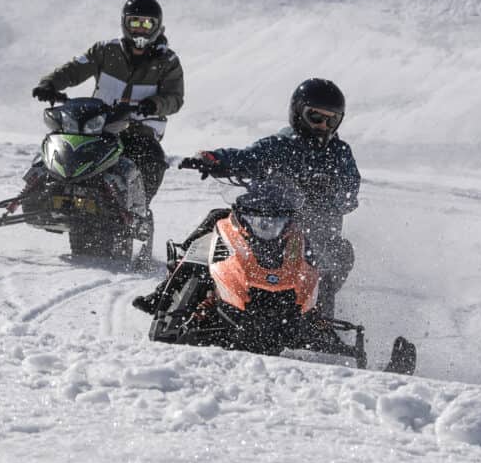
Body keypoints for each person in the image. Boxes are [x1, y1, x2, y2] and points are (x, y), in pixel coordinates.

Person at [137, 78, 361, 317]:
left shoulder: (340, 153)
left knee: (340, 253)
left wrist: (332, 191)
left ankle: (319, 318)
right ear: (298, 113)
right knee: (216, 223)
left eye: (331, 120)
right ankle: (167, 291)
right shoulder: (281, 144)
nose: (322, 126)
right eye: (316, 117)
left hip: (314, 230)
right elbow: (245, 157)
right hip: (268, 220)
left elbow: (350, 190)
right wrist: (213, 159)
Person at [32, 0, 185, 204]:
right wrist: (49, 84)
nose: (140, 29)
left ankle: (136, 211)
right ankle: (37, 192)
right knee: (60, 146)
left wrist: (154, 105)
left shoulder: (168, 61)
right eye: (135, 22)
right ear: (124, 23)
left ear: (157, 26)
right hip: (99, 124)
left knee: (150, 158)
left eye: (147, 24)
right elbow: (74, 69)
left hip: (138, 129)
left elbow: (174, 98)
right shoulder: (106, 50)